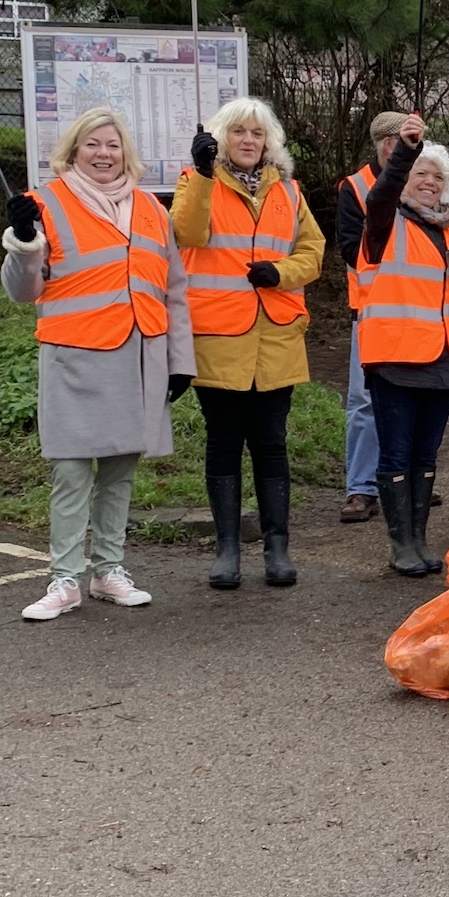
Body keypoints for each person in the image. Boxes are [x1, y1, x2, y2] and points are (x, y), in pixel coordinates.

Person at [1, 107, 195, 620]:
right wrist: (23, 244)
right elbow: (24, 292)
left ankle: (108, 571)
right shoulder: (44, 204)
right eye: (92, 144)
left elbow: (174, 288)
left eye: (112, 145)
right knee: (70, 472)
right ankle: (64, 579)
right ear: (73, 151)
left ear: (125, 152)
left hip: (139, 356)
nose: (103, 154)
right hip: (74, 355)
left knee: (120, 471)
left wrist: (180, 361)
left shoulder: (152, 209)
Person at [174, 97, 324, 589]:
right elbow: (187, 233)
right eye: (238, 132)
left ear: (268, 142)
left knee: (271, 444)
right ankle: (228, 549)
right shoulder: (198, 182)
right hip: (218, 337)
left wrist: (280, 273)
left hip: (276, 336)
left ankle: (277, 548)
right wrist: (200, 174)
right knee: (223, 443)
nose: (248, 141)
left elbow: (314, 251)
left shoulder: (289, 191)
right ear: (221, 138)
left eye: (256, 134)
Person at [355, 112, 449, 576]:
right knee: (397, 454)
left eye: (436, 176)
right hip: (395, 356)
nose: (428, 182)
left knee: (426, 455)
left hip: (443, 357)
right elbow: (382, 191)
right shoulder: (384, 219)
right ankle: (400, 543)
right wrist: (405, 152)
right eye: (420, 174)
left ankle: (419, 538)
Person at [335, 112, 403, 524]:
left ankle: (402, 479)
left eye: (401, 142)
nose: (393, 149)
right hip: (371, 306)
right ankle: (361, 487)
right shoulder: (355, 188)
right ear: (378, 144)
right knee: (363, 402)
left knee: (405, 399)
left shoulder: (425, 179)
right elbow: (348, 247)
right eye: (387, 141)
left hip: (416, 311)